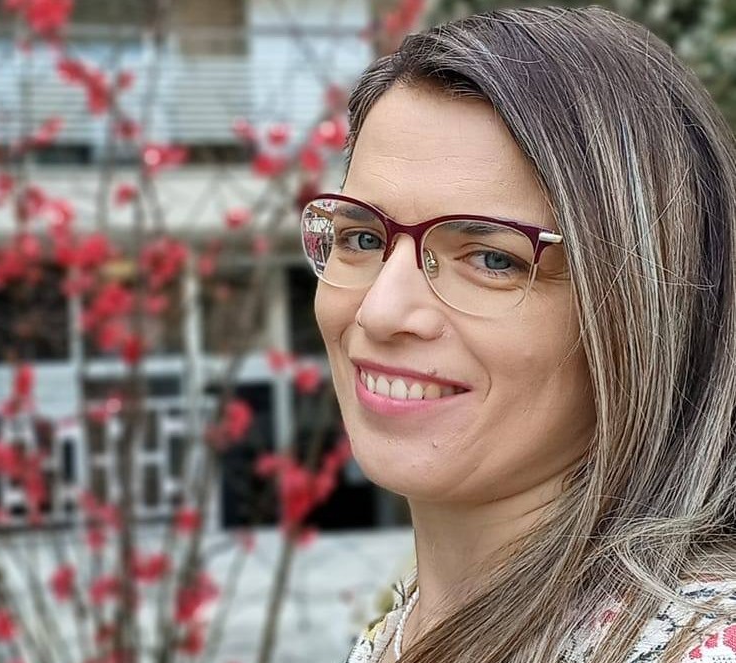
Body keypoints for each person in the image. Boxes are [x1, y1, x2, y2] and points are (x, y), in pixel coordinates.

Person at [298, 5, 736, 663]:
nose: (380, 312)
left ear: (643, 307)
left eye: (491, 258)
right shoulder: (408, 630)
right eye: (362, 237)